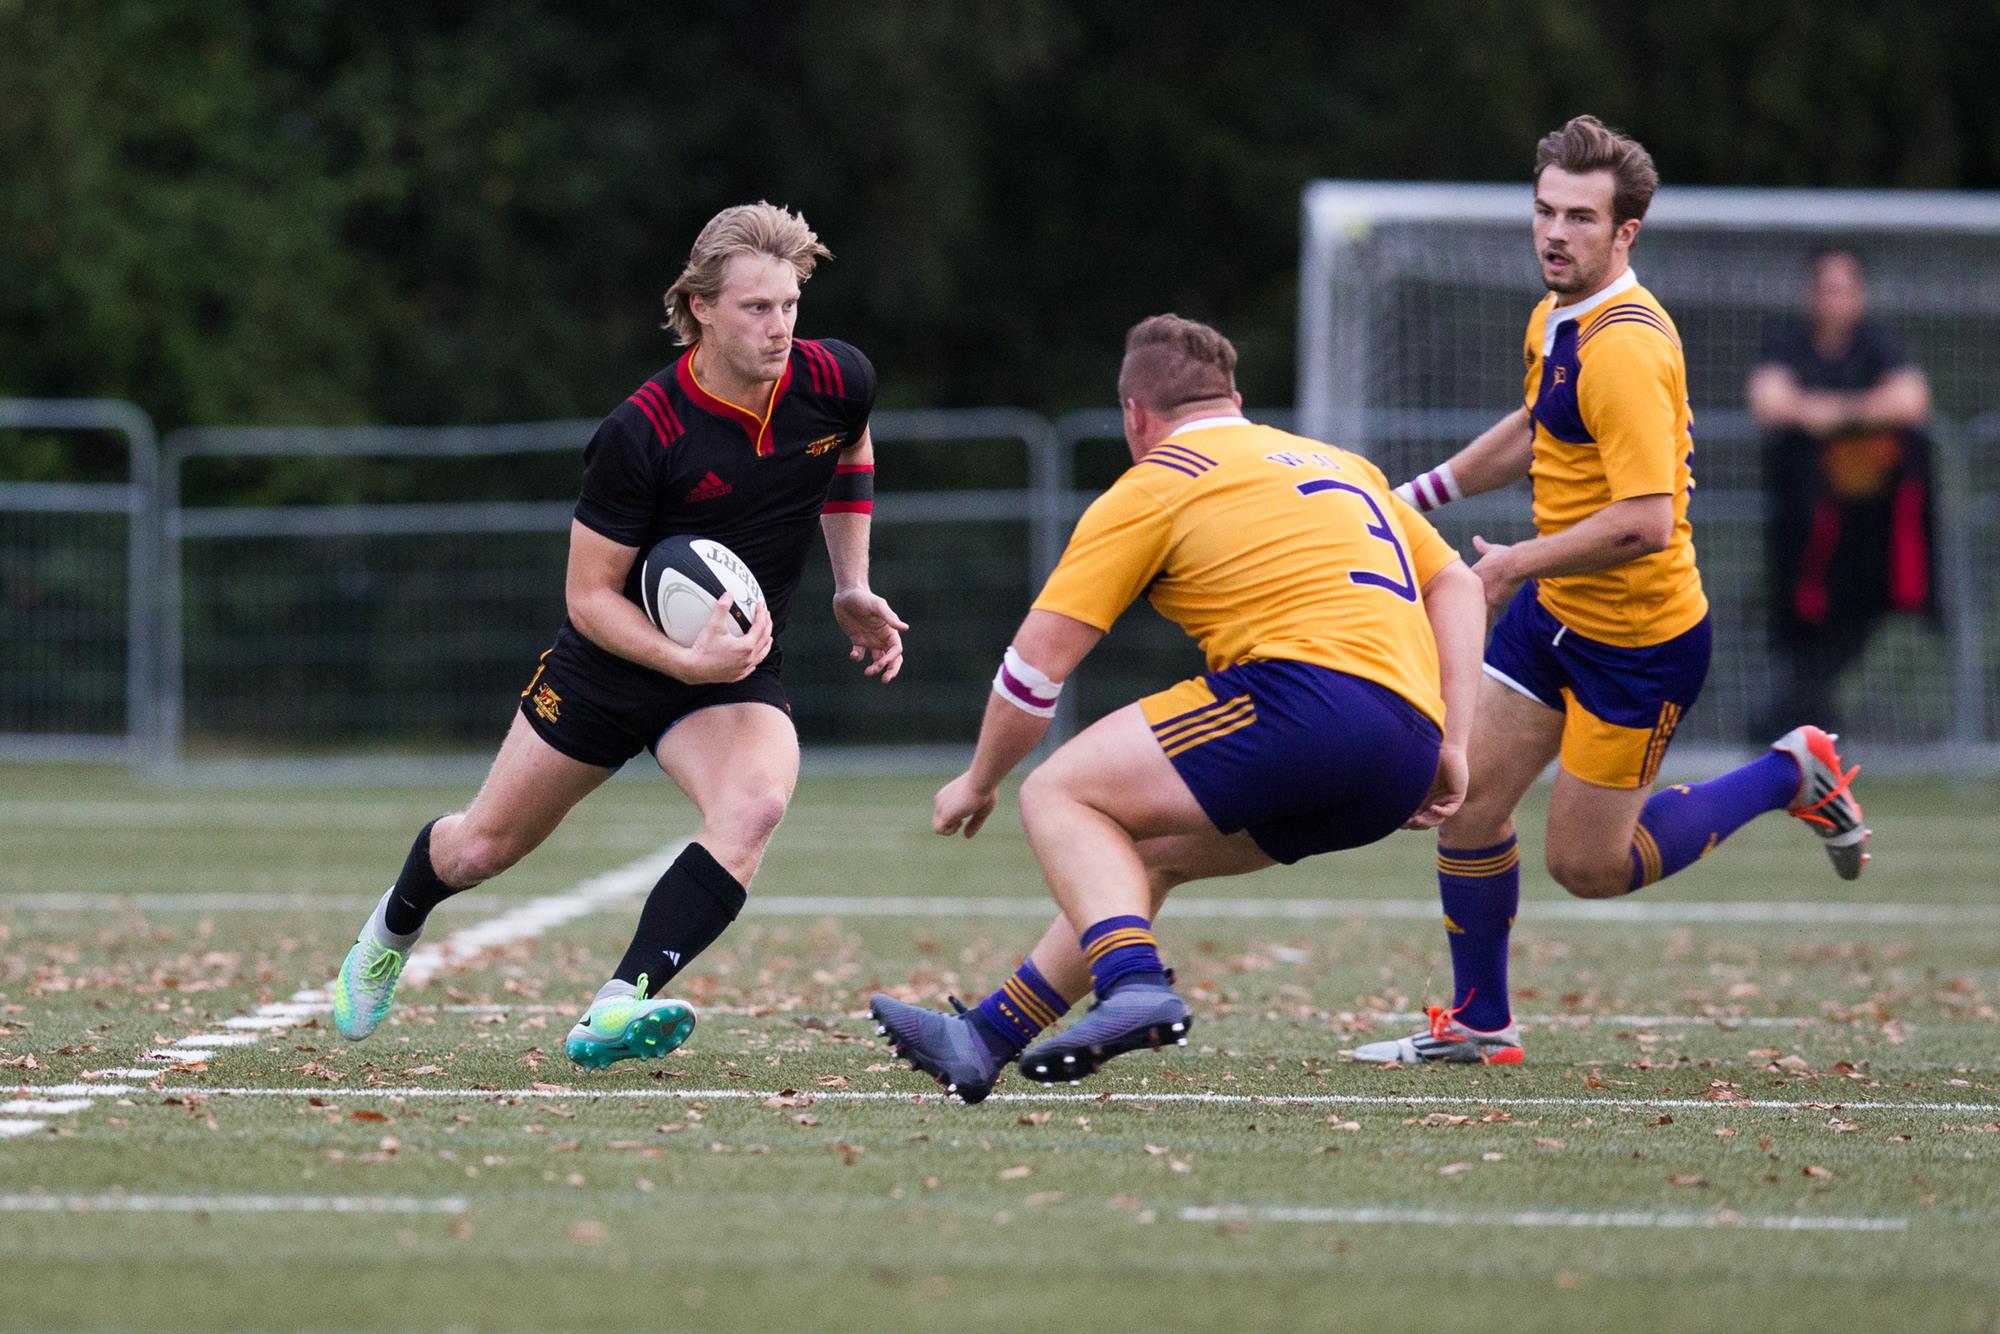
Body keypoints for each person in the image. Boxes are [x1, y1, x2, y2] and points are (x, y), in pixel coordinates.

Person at [330, 202, 907, 1068]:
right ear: (701, 307)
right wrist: (680, 656)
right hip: (608, 668)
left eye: (790, 305)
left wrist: (852, 582)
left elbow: (850, 450)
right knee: (482, 847)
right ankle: (391, 926)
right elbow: (589, 596)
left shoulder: (837, 379)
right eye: (757, 308)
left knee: (753, 806)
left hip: (732, 671)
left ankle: (615, 1005)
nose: (780, 327)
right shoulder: (643, 430)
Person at [1353, 116, 1869, 1067]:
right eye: (1545, 210)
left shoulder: (1629, 345)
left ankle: (1791, 772)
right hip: (1556, 616)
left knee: (1588, 868)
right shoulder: (1559, 316)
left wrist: (1509, 564)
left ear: (1626, 232)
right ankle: (1480, 1024)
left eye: (1581, 218)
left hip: (1639, 641)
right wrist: (1411, 495)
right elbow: (1536, 424)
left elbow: (1646, 524)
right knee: (1464, 800)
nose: (1555, 232)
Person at [868, 313, 1486, 1101]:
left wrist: (979, 780)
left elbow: (1034, 669)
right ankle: (985, 1036)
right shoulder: (1340, 464)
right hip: (1407, 746)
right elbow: (1458, 584)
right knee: (1144, 854)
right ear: (1235, 398)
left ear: (1135, 416)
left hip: (1311, 702)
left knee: (1058, 792)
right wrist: (1453, 741)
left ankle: (1133, 986)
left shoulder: (1159, 480)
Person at [1746, 246, 1936, 738]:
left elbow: (1912, 398)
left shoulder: (1877, 345)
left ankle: (1795, 723)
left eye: (1845, 288)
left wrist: (1833, 414)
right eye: (1826, 288)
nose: (1835, 300)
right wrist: (1842, 413)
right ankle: (1798, 726)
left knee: (1852, 625)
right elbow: (1768, 399)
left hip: (1865, 531)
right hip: (1803, 527)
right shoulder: (1788, 343)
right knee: (1799, 627)